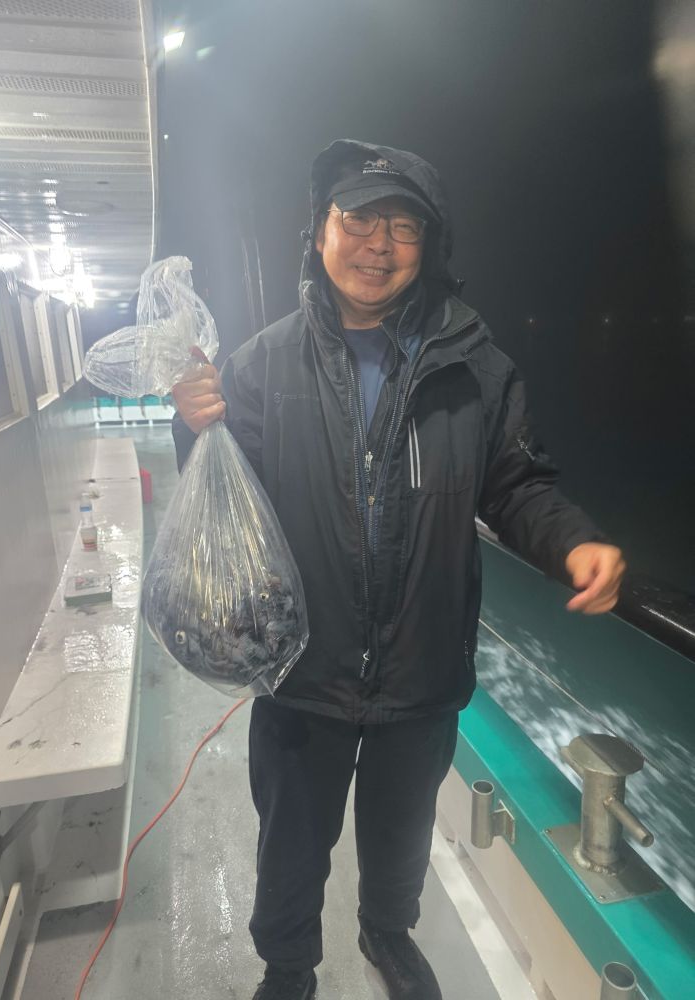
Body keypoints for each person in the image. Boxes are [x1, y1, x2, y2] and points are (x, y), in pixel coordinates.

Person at [171, 139, 626, 1000]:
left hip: (421, 673)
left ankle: (388, 933)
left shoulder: (478, 370)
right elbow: (224, 502)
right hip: (302, 672)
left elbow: (518, 482)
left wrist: (572, 540)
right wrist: (195, 428)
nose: (378, 244)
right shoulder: (260, 367)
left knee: (401, 832)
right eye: (358, 218)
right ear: (319, 232)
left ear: (429, 247)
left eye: (403, 226)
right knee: (291, 841)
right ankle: (289, 965)